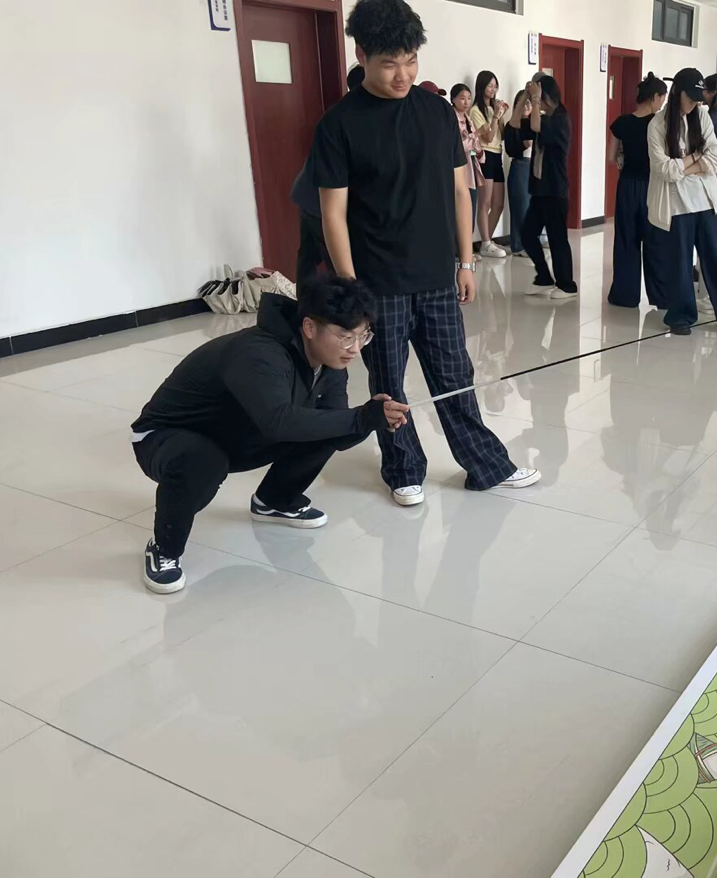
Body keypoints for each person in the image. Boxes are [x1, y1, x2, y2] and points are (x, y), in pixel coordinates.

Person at [312, 0, 539, 507]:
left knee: (455, 376)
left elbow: (461, 191)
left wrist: (467, 261)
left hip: (437, 276)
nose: (403, 74)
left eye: (411, 60)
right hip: (377, 283)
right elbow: (333, 215)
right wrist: (352, 291)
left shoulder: (436, 113)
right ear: (362, 55)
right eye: (390, 63)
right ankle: (402, 469)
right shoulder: (339, 125)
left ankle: (486, 464)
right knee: (388, 385)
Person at [130, 279, 410, 594]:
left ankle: (275, 500)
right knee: (203, 461)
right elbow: (279, 423)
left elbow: (338, 432)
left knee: (326, 424)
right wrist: (358, 418)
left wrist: (372, 419)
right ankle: (164, 549)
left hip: (236, 433)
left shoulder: (331, 363)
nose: (355, 349)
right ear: (309, 327)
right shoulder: (258, 352)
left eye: (363, 336)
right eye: (346, 336)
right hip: (165, 437)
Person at [648, 68, 717, 336]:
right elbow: (664, 170)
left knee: (716, 258)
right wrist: (696, 157)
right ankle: (681, 316)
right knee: (680, 262)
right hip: (676, 205)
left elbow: (716, 159)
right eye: (691, 97)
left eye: (699, 98)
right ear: (678, 92)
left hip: (705, 201)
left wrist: (685, 165)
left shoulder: (703, 117)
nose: (695, 103)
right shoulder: (657, 125)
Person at [290, 65, 366, 283]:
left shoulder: (347, 113)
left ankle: (306, 301)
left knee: (308, 259)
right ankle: (333, 302)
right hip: (317, 199)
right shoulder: (347, 119)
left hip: (308, 194)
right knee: (337, 261)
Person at [606, 72, 668, 309]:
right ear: (654, 97)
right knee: (654, 241)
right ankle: (661, 297)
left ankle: (625, 296)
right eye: (662, 99)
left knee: (626, 240)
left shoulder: (621, 123)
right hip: (652, 187)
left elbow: (611, 158)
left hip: (627, 187)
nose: (662, 104)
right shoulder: (659, 124)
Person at [521, 74, 577, 299]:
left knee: (557, 239)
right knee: (527, 234)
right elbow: (516, 124)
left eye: (540, 98)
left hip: (555, 190)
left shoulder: (560, 118)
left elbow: (535, 124)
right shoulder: (545, 118)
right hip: (540, 190)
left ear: (547, 97)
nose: (539, 103)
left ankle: (567, 285)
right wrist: (524, 98)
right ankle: (543, 276)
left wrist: (535, 98)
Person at [468, 70, 509, 258]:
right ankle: (485, 242)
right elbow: (489, 137)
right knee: (484, 203)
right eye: (490, 85)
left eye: (495, 86)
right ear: (481, 86)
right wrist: (495, 117)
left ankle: (488, 241)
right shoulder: (476, 110)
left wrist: (500, 114)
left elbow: (502, 135)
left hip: (498, 154)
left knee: (498, 204)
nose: (493, 89)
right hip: (485, 156)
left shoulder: (493, 108)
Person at [504, 88, 534, 259]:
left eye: (529, 102)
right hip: (520, 166)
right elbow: (510, 150)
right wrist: (524, 144)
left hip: (534, 167)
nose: (526, 106)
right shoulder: (511, 126)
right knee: (521, 206)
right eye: (523, 103)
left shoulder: (535, 124)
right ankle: (519, 245)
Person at [450, 83, 484, 226]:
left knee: (470, 217)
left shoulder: (468, 119)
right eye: (462, 98)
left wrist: (479, 151)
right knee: (459, 218)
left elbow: (476, 146)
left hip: (471, 171)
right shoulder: (451, 118)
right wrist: (477, 134)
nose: (466, 102)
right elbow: (456, 146)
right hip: (458, 172)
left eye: (469, 98)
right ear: (453, 99)